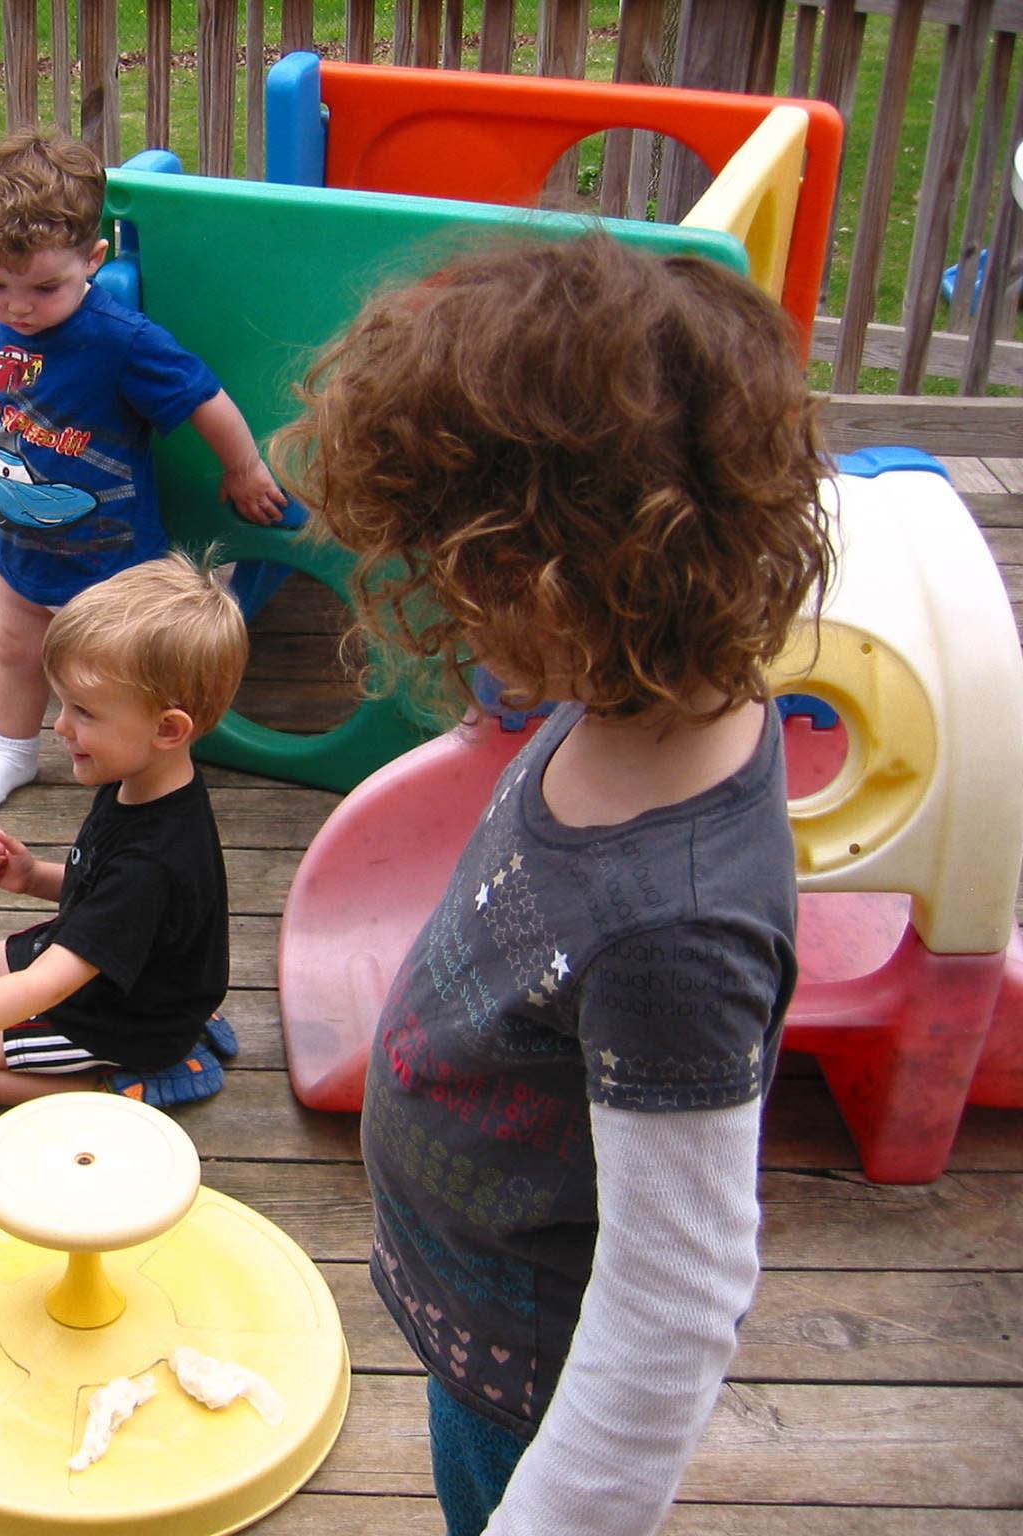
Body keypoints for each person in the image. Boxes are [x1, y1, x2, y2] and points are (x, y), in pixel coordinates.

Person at [271, 234, 834, 1535]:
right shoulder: (636, 704)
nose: (449, 615)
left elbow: (676, 1300)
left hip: (536, 1388)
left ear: (566, 581)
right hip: (477, 1310)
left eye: (461, 579)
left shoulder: (677, 932)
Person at [0, 128, 286, 812]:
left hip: (110, 565)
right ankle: (12, 753)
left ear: (93, 260)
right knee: (14, 650)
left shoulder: (120, 340)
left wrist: (245, 468)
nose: (18, 304)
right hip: (21, 548)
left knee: (109, 678)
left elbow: (205, 397)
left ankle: (128, 768)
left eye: (45, 286)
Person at [0, 553, 247, 1108]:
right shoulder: (141, 774)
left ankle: (122, 1083)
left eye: (83, 711)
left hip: (122, 1018)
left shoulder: (152, 862)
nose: (59, 726)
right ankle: (174, 1031)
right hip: (125, 971)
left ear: (167, 728)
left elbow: (46, 985)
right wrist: (35, 878)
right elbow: (106, 897)